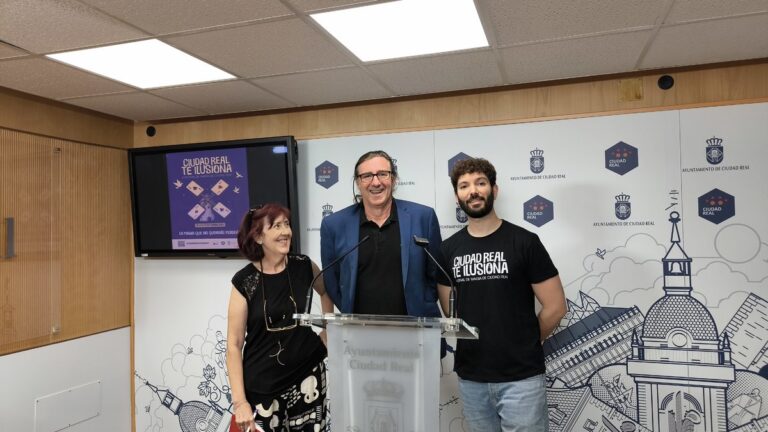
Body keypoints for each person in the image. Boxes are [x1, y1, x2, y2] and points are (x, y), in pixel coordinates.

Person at [437, 158, 567, 432]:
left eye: (480, 183)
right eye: (464, 186)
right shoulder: (447, 251)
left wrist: (524, 343)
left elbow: (556, 307)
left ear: (494, 190)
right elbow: (452, 315)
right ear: (457, 197)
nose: (473, 191)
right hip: (472, 379)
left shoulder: (525, 242)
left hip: (521, 379)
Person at [227, 203, 334, 432]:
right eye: (276, 226)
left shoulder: (304, 266)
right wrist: (240, 402)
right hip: (263, 388)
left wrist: (328, 330)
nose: (286, 231)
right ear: (258, 237)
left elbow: (326, 291)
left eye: (286, 224)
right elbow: (234, 344)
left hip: (308, 379)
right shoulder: (245, 281)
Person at [320, 150, 442, 318]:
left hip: (415, 327)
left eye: (383, 174)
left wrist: (423, 305)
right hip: (359, 329)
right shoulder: (334, 225)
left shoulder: (423, 217)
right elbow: (331, 281)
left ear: (393, 179)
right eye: (367, 176)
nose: (376, 182)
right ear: (358, 182)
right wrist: (350, 311)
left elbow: (436, 274)